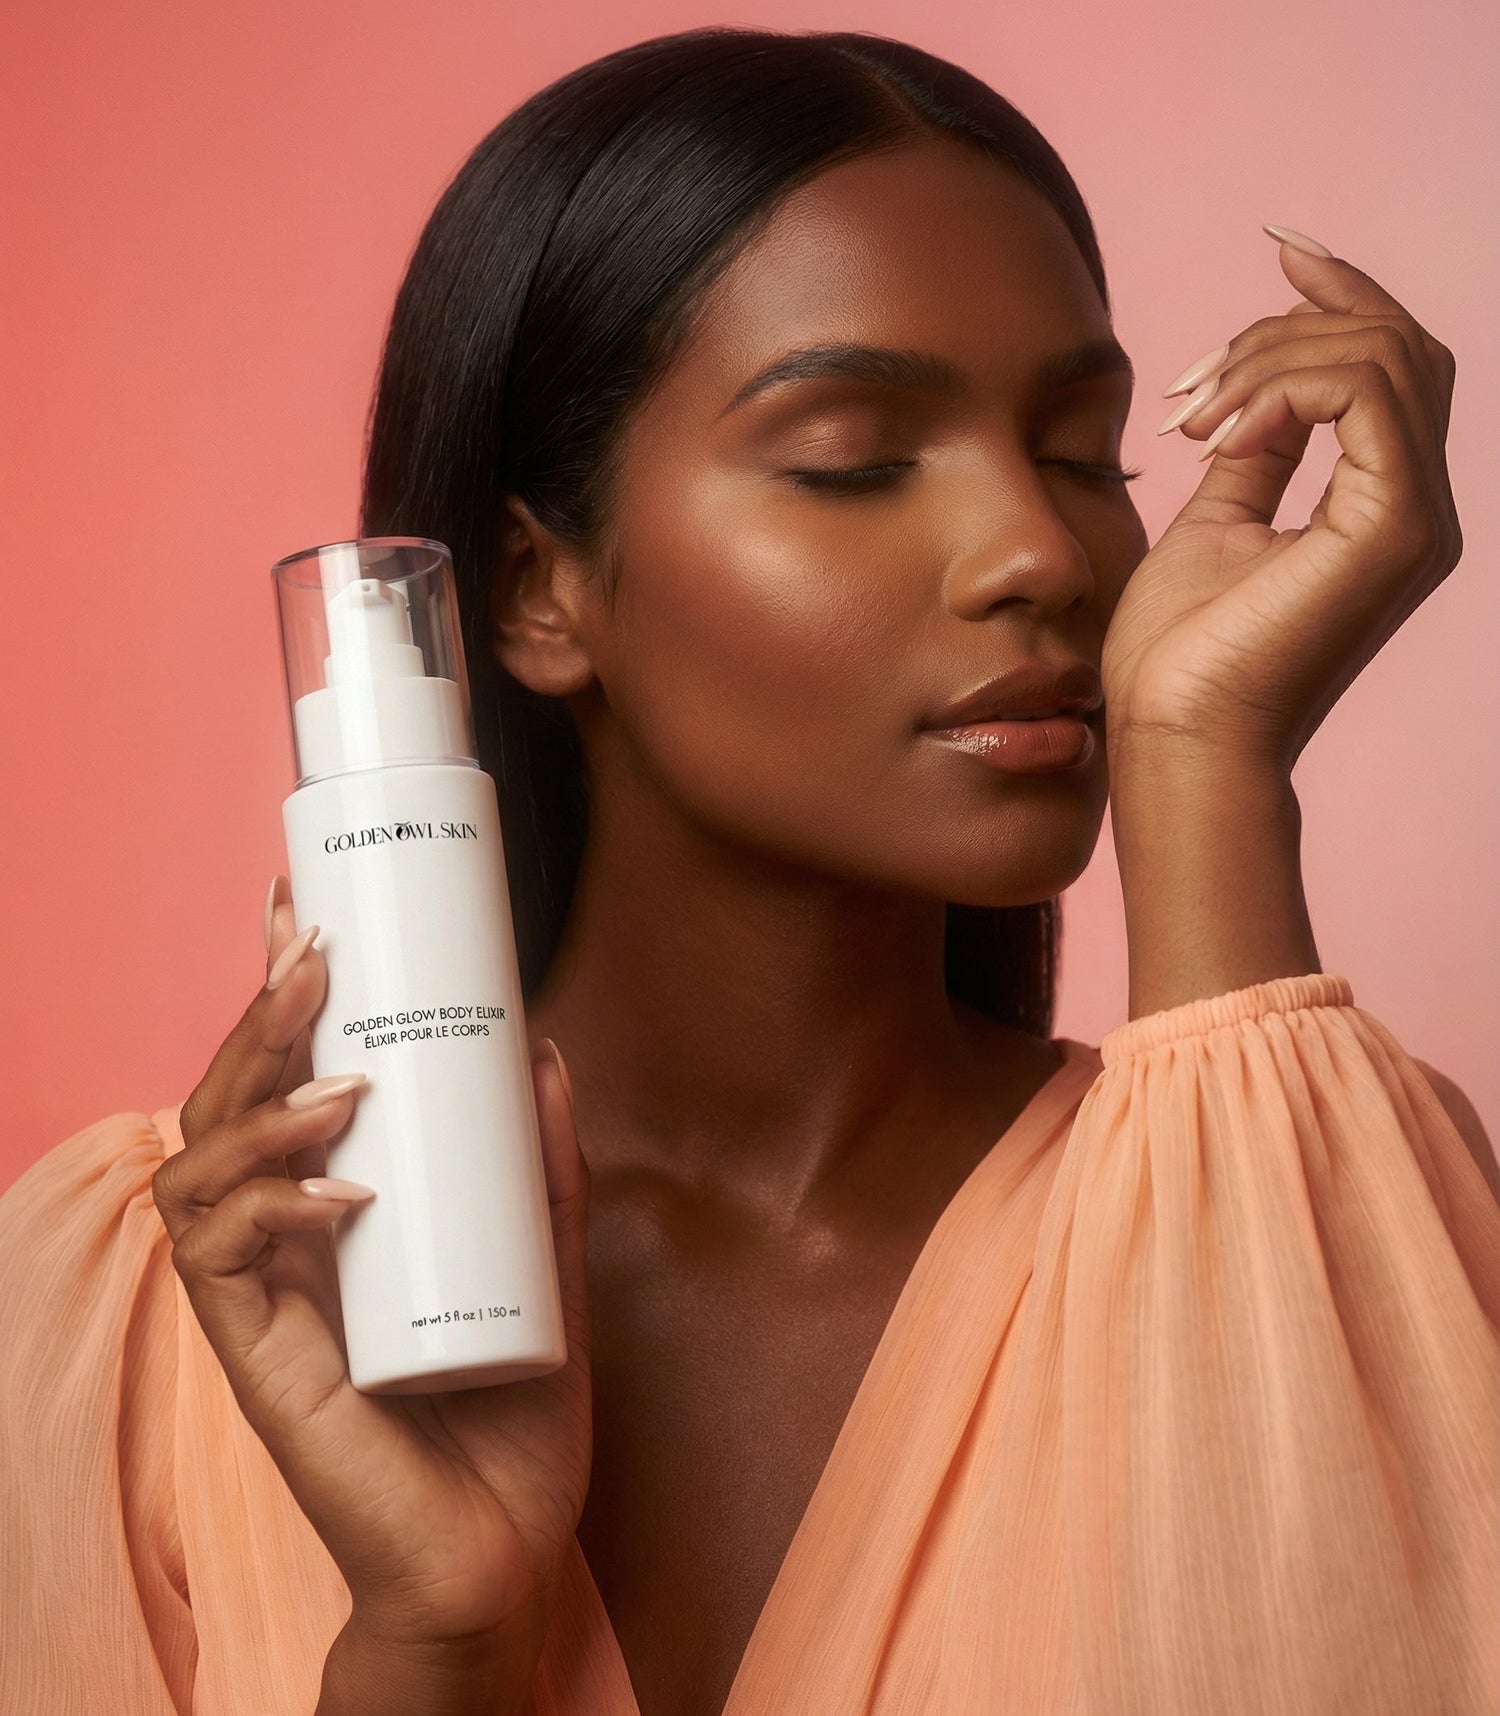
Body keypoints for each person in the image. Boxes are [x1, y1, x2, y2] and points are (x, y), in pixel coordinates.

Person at [3, 25, 1498, 1716]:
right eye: (854, 459)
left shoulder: (1333, 1209)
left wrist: (1206, 767)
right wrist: (439, 1639)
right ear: (536, 590)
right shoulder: (147, 1322)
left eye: (1088, 455)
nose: (1041, 553)